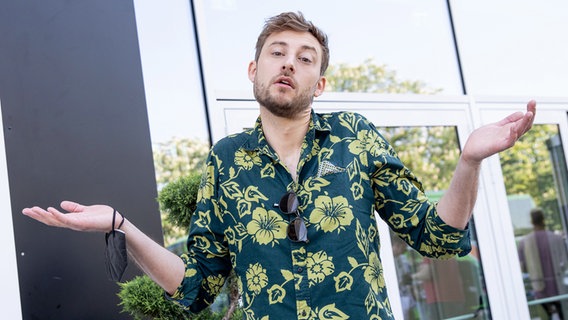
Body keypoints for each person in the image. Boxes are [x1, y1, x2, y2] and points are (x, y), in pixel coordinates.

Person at [22, 11, 536, 320]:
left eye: (306, 57)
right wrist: (121, 225)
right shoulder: (224, 162)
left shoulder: (355, 137)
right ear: (254, 69)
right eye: (277, 52)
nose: (289, 62)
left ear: (321, 83)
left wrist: (468, 161)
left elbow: (437, 238)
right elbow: (198, 287)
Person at [518, 208, 568, 319]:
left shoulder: (524, 242)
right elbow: (564, 263)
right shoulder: (557, 238)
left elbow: (522, 268)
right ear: (543, 219)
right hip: (558, 288)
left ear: (531, 221)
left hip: (539, 290)